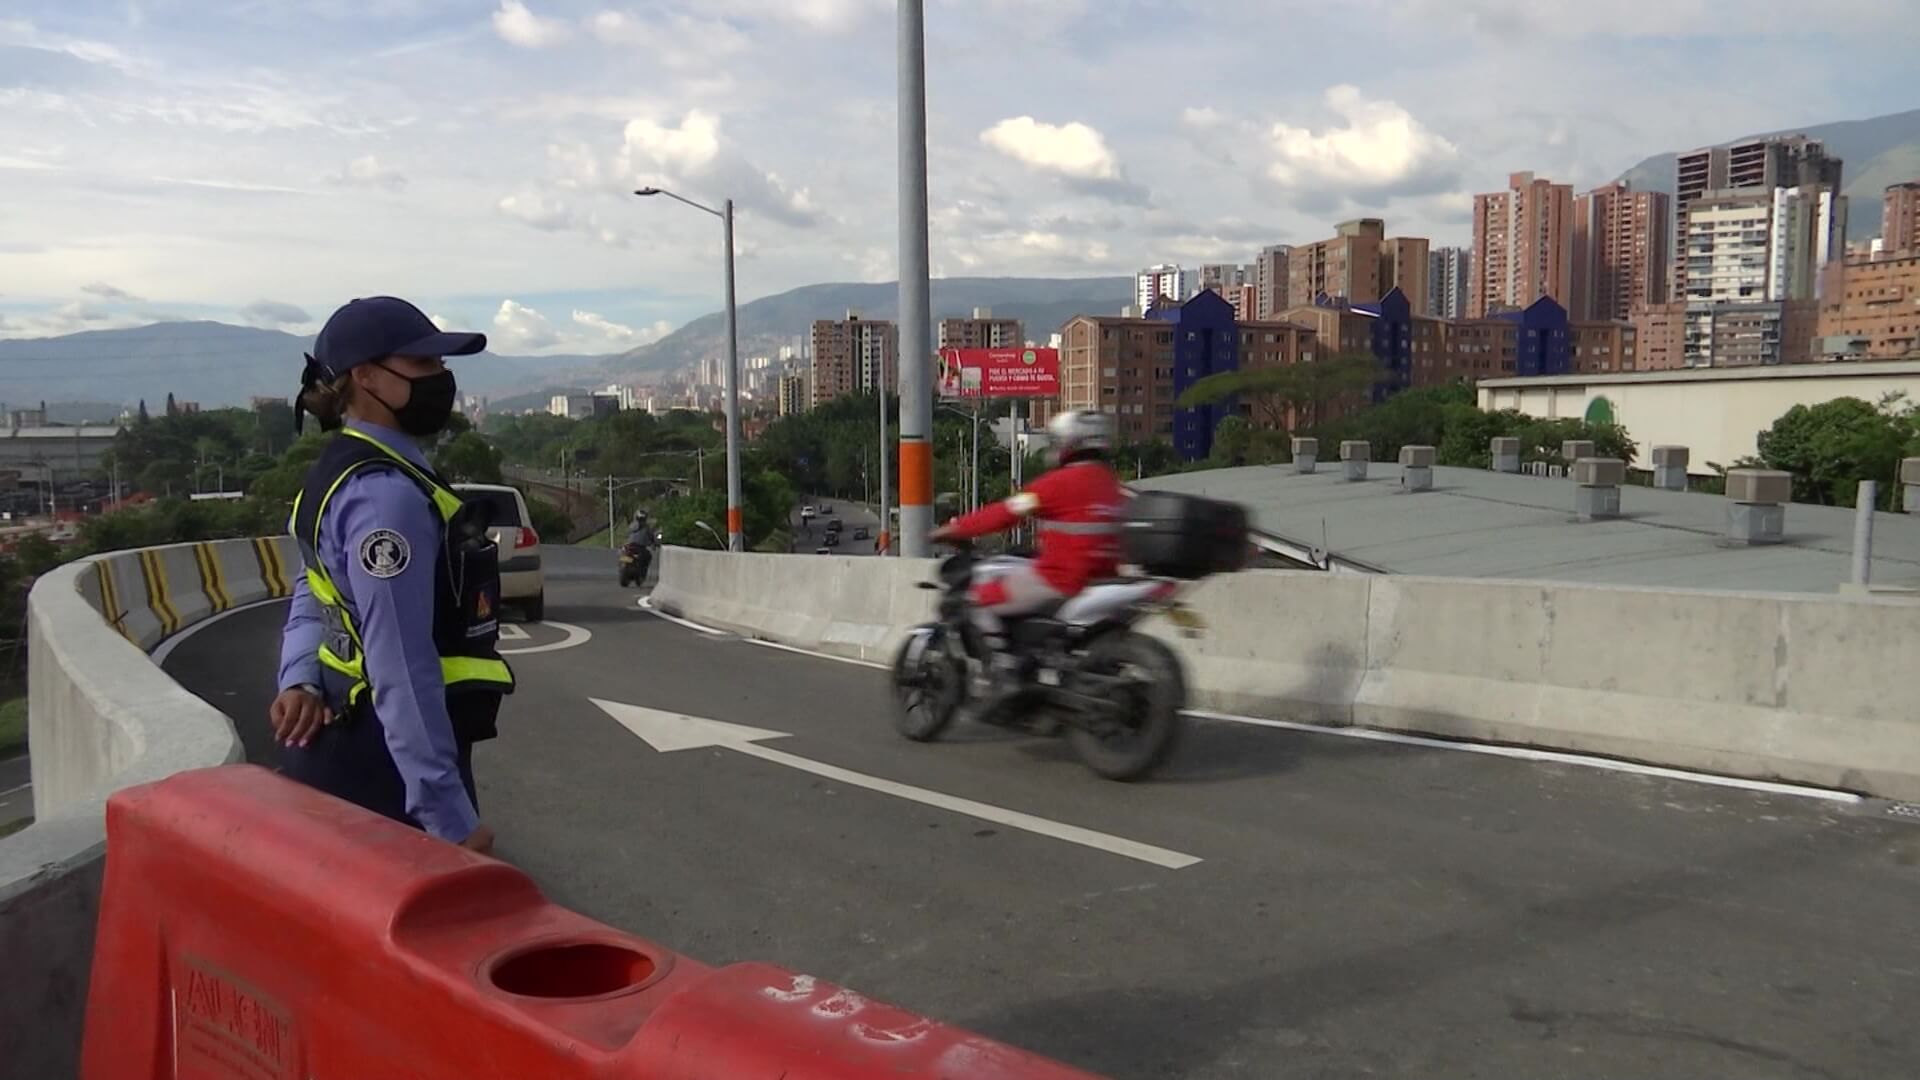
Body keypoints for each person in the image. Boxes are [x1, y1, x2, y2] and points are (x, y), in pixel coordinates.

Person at [270, 296, 514, 853]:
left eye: (442, 366)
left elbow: (317, 588)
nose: (442, 380)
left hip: (336, 740)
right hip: (382, 774)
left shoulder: (341, 470)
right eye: (424, 365)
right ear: (366, 376)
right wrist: (448, 818)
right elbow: (401, 666)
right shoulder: (387, 501)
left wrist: (300, 676)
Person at [928, 409, 1126, 636]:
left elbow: (1004, 513)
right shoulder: (1113, 485)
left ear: (1069, 442)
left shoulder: (1056, 484)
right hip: (1104, 579)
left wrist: (956, 528)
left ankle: (1000, 667)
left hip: (1060, 579)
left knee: (978, 598)